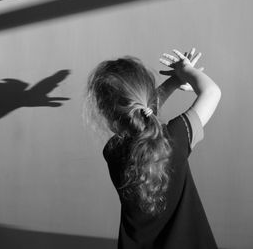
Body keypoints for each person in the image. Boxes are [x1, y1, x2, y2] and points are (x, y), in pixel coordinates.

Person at [85, 48, 221, 249]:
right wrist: (185, 71)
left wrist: (174, 81)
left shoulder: (113, 152)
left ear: (106, 113)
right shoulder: (177, 137)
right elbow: (212, 92)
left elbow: (140, 113)